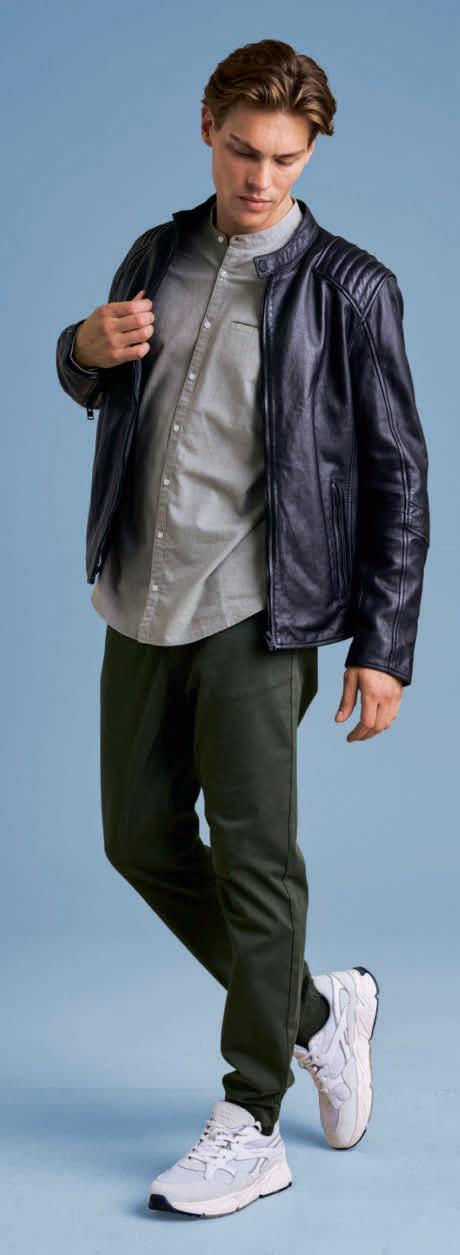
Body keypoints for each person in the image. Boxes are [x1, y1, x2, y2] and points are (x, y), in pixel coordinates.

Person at [55, 39, 430, 1219]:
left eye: (284, 158)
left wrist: (384, 642)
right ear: (206, 131)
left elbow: (397, 472)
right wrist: (79, 351)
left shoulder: (349, 288)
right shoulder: (156, 252)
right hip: (141, 591)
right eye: (240, 151)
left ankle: (251, 1118)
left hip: (261, 608)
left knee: (258, 858)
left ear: (310, 153)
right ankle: (319, 1013)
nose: (260, 178)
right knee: (137, 837)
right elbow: (105, 381)